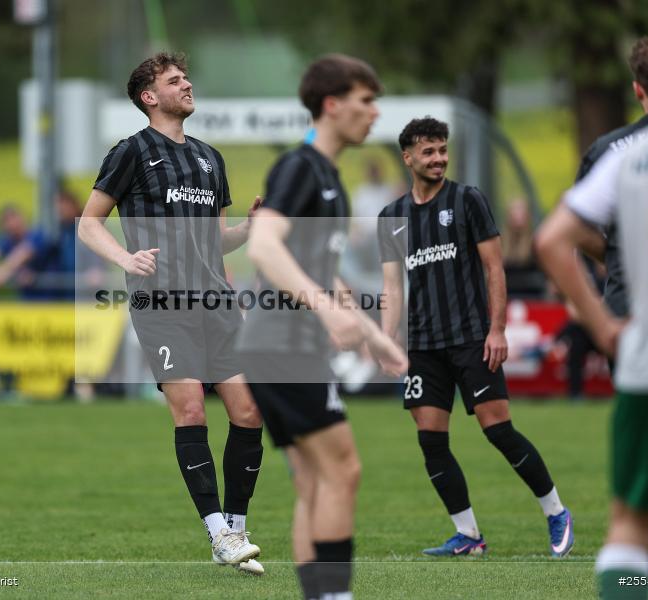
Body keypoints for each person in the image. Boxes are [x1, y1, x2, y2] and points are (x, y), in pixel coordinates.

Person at [78, 52, 265, 574]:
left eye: (185, 77)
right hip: (161, 304)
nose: (187, 84)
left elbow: (215, 240)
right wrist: (125, 258)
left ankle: (237, 526)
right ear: (149, 97)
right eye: (174, 80)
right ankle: (218, 535)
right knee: (191, 412)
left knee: (249, 412)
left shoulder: (209, 158)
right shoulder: (131, 152)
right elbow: (89, 224)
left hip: (217, 303)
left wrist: (248, 231)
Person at [237, 54, 407, 600]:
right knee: (343, 471)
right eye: (365, 101)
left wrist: (372, 332)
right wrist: (325, 309)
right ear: (332, 105)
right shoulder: (299, 167)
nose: (374, 113)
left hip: (280, 348)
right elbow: (264, 246)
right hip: (283, 347)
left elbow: (323, 272)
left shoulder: (329, 177)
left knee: (314, 482)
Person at [536, 18, 648, 600]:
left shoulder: (619, 153)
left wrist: (601, 321)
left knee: (634, 513)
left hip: (641, 334)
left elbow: (559, 237)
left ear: (638, 89)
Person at [377, 116, 573, 558]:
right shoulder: (391, 217)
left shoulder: (468, 200)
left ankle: (556, 511)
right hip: (423, 345)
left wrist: (497, 328)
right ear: (407, 157)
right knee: (430, 438)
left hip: (470, 338)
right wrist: (387, 340)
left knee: (498, 430)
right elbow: (392, 287)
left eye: (443, 149)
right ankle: (468, 536)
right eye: (428, 151)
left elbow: (493, 268)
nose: (439, 158)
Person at [572, 33, 648, 600]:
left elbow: (571, 235)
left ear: (638, 89)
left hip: (632, 324)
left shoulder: (613, 149)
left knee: (647, 475)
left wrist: (611, 270)